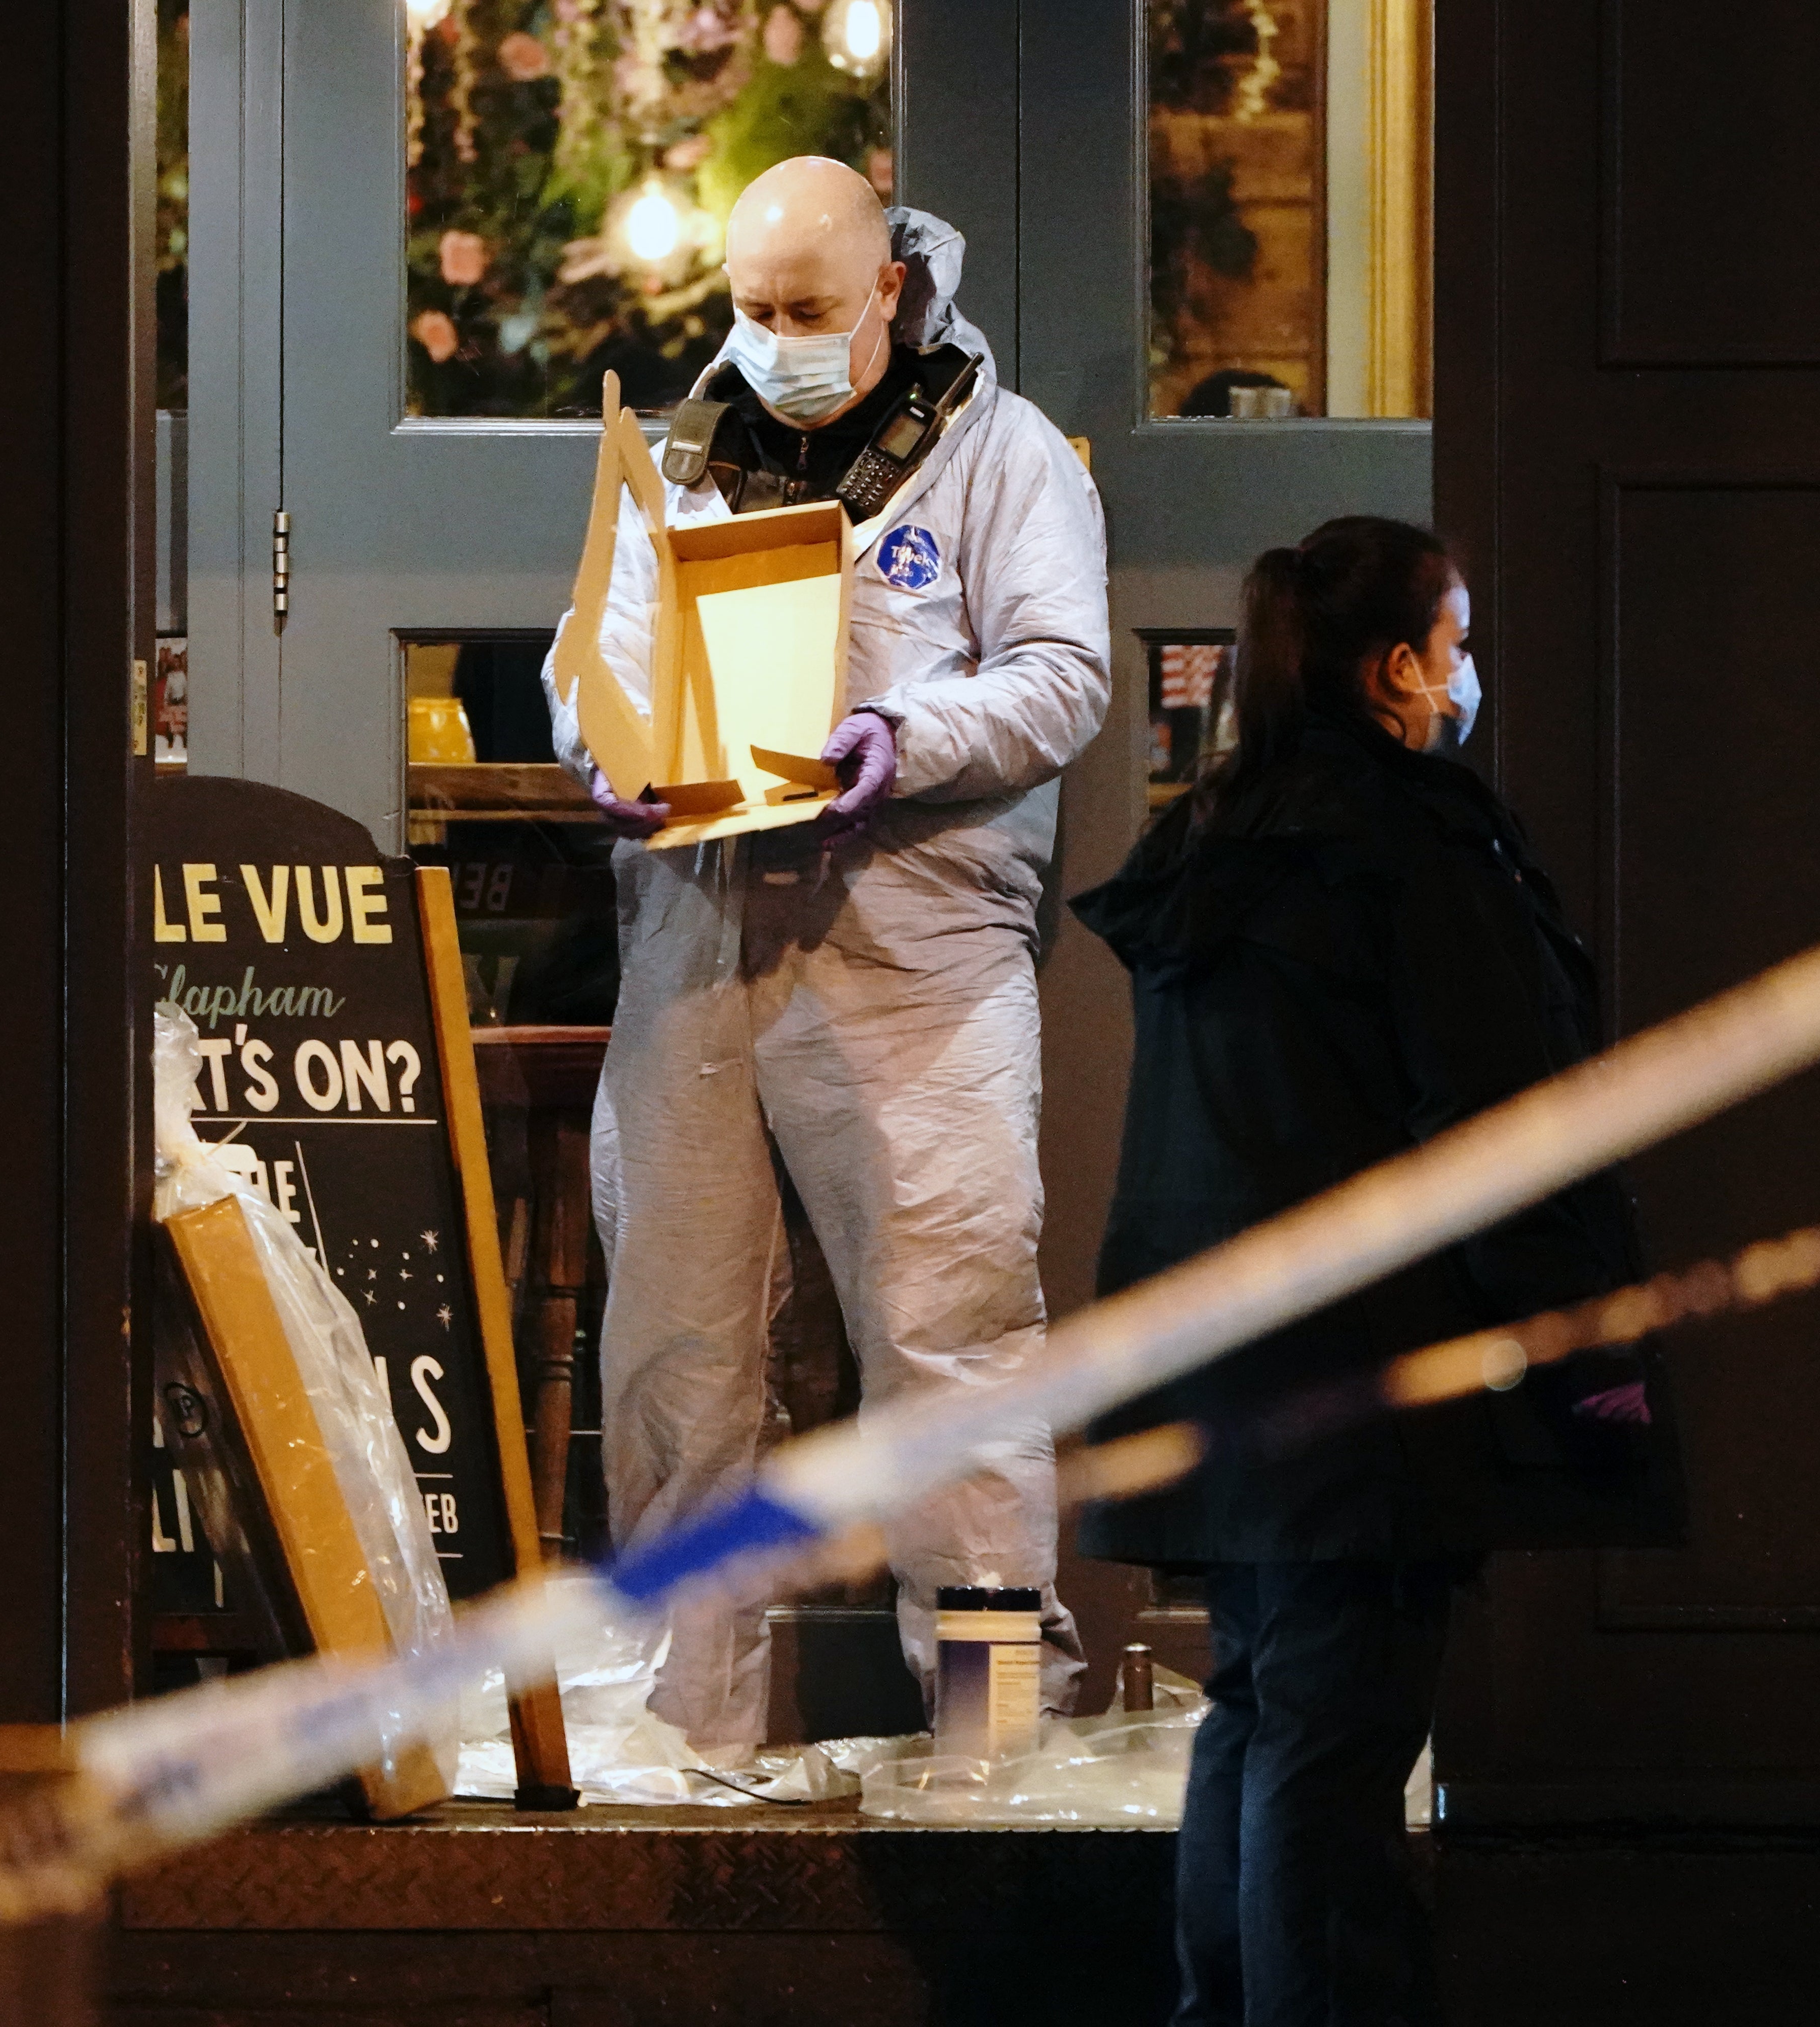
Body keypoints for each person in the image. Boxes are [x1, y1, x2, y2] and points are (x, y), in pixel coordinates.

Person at [1071, 516, 1684, 2023]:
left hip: (1218, 1364)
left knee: (1260, 1715)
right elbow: (1502, 1128)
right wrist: (1592, 1355)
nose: (1465, 681)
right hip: (1365, 1383)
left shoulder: (1209, 846)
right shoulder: (1414, 849)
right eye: (1456, 647)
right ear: (1396, 667)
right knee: (1334, 1754)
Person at [542, 156, 1106, 1753]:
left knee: (954, 1358)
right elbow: (598, 649)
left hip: (914, 942)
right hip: (706, 928)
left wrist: (902, 731)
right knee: (677, 1356)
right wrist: (605, 745)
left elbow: (1066, 677)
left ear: (888, 292)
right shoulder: (694, 454)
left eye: (805, 306)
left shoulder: (999, 457)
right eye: (748, 306)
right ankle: (677, 1737)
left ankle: (991, 1744)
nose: (773, 333)